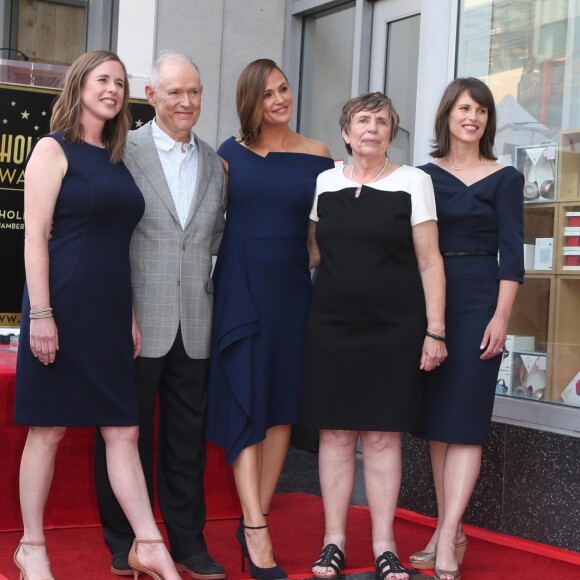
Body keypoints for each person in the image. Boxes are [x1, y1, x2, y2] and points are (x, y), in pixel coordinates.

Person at [13, 50, 181, 580]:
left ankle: (149, 544)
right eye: (102, 79)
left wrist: (129, 314)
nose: (112, 88)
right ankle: (33, 547)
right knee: (49, 429)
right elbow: (35, 239)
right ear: (79, 84)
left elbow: (118, 247)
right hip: (60, 305)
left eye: (120, 82)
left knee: (124, 432)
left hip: (109, 312)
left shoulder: (116, 159)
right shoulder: (51, 149)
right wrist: (41, 314)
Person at [300, 92, 447, 580]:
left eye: (382, 122)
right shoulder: (324, 182)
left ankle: (385, 547)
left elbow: (430, 260)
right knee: (336, 434)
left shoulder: (414, 182)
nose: (372, 128)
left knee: (383, 438)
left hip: (394, 329)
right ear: (346, 133)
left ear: (390, 134)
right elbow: (313, 254)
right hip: (331, 327)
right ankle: (333, 542)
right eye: (363, 120)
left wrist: (435, 330)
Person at [93, 51, 226, 579]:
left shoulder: (216, 163)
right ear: (152, 96)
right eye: (174, 92)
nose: (186, 102)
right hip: (134, 323)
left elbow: (211, 237)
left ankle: (189, 543)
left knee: (185, 441)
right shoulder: (122, 151)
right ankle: (123, 539)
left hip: (195, 323)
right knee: (124, 436)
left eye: (193, 91)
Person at [205, 58, 333, 580]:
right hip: (240, 282)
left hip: (289, 287)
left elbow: (321, 232)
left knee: (280, 404)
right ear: (250, 102)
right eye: (268, 94)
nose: (279, 99)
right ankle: (256, 527)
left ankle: (253, 517)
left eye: (283, 89)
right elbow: (207, 222)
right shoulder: (228, 154)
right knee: (246, 394)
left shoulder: (319, 154)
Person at [410, 78, 524, 580]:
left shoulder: (505, 177)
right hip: (431, 306)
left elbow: (513, 258)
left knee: (467, 422)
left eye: (480, 109)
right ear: (447, 116)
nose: (472, 116)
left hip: (480, 300)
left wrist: (501, 318)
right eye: (463, 108)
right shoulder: (422, 176)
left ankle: (451, 535)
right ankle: (445, 528)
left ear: (487, 120)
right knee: (439, 424)